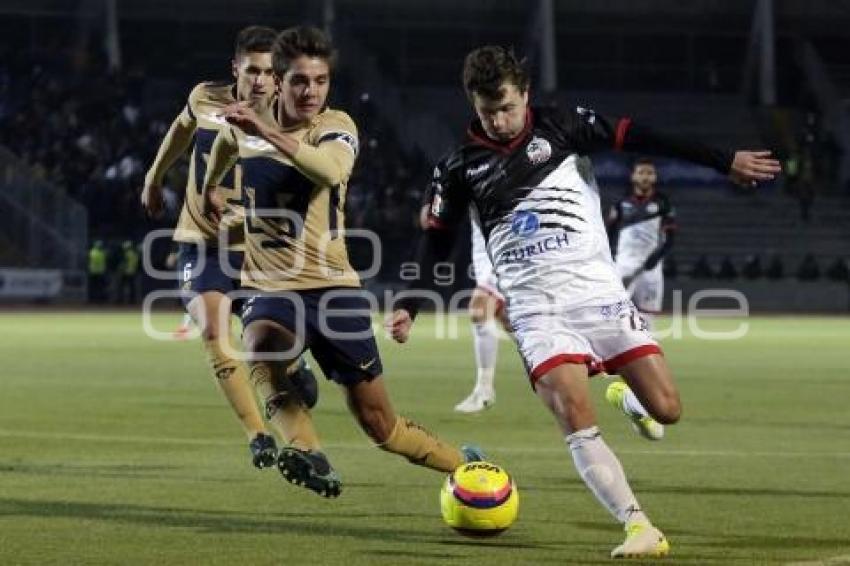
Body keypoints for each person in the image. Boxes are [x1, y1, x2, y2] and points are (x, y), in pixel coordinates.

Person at [387, 46, 780, 558]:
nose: (500, 121)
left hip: (597, 291)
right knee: (573, 412)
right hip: (533, 308)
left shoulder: (564, 125)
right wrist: (409, 304)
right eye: (488, 112)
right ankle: (638, 526)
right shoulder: (458, 168)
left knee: (668, 408)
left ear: (525, 94)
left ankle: (630, 400)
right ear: (473, 106)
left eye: (507, 107)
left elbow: (644, 136)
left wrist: (723, 160)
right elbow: (437, 237)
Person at [203, 26, 483, 499]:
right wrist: (213, 184)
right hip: (270, 286)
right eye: (299, 81)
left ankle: (468, 466)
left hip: (333, 289)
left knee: (379, 424)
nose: (310, 91)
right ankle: (308, 452)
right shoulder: (244, 122)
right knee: (260, 345)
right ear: (278, 79)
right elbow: (226, 144)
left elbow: (330, 170)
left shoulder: (336, 126)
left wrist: (267, 133)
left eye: (320, 80)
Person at [140, 25, 317, 470]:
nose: (259, 80)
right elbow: (181, 129)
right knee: (215, 332)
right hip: (203, 245)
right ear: (235, 68)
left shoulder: (289, 122)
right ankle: (258, 435)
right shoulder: (205, 98)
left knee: (274, 347)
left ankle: (294, 367)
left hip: (260, 250)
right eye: (251, 69)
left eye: (268, 71)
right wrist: (154, 177)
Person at [87, 240, 107, 304]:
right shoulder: (102, 253)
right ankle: (97, 299)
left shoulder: (92, 252)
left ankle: (94, 299)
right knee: (98, 287)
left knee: (95, 287)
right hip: (99, 272)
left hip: (94, 272)